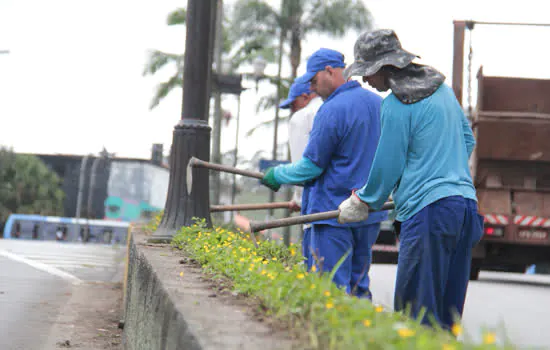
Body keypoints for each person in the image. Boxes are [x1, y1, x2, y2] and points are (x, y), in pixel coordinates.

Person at [338, 29, 484, 329]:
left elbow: (387, 165)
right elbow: (467, 141)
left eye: (367, 72)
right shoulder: (443, 90)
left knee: (415, 314)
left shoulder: (395, 105)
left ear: (383, 68)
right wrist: (434, 166)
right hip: (465, 209)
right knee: (446, 314)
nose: (366, 80)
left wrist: (363, 200)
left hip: (429, 214)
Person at [261, 48, 387, 299]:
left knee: (330, 291)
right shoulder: (379, 104)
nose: (312, 87)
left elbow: (310, 167)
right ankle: (361, 336)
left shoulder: (331, 110)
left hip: (333, 215)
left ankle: (329, 339)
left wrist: (277, 175)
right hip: (369, 213)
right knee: (358, 287)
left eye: (314, 79)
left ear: (329, 71)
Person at [279, 80, 323, 268]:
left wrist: (298, 199)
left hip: (316, 209)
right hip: (349, 207)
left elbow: (301, 167)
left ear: (306, 96)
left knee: (318, 275)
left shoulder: (303, 117)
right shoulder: (338, 109)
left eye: (293, 104)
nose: (292, 110)